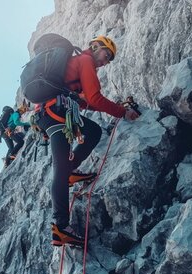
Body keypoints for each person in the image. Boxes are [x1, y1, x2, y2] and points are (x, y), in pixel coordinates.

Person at [33, 35, 140, 247]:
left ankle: (71, 171)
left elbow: (84, 102)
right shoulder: (85, 61)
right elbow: (94, 98)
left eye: (109, 59)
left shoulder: (76, 63)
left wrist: (116, 106)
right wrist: (122, 112)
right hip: (55, 114)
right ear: (94, 47)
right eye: (106, 54)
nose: (106, 61)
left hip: (52, 112)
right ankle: (61, 227)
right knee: (60, 171)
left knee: (92, 131)